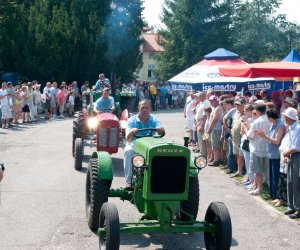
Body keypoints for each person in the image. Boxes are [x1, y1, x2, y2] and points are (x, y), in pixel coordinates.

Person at [124, 99, 165, 189]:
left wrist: (160, 129)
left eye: (147, 108)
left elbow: (161, 132)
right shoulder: (131, 120)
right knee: (129, 151)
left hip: (150, 145)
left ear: (150, 109)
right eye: (143, 108)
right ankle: (129, 181)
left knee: (161, 153)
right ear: (139, 108)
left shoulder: (154, 119)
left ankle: (160, 180)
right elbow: (128, 139)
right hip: (134, 145)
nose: (145, 110)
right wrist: (132, 132)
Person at [255, 109, 285, 200]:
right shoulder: (273, 124)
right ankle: (272, 194)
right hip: (271, 153)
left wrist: (265, 136)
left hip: (276, 154)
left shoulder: (280, 125)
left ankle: (276, 196)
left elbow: (277, 141)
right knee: (271, 176)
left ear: (270, 117)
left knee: (275, 176)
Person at [246, 104, 272, 195]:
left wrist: (245, 128)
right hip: (267, 149)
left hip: (256, 148)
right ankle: (262, 187)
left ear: (257, 111)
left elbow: (249, 135)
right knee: (266, 171)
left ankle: (259, 188)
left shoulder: (257, 121)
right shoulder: (270, 120)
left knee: (258, 171)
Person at [282, 107, 300, 219]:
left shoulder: (298, 128)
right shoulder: (292, 127)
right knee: (290, 181)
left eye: (285, 116)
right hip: (292, 155)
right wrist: (287, 154)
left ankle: (298, 208)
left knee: (296, 183)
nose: (284, 117)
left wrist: (286, 153)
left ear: (289, 118)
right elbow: (291, 144)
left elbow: (297, 147)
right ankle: (291, 206)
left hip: (297, 156)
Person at [207, 95, 223, 166]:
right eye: (210, 101)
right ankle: (215, 158)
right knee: (213, 144)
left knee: (215, 145)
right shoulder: (215, 108)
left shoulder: (218, 108)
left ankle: (216, 160)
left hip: (216, 129)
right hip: (215, 129)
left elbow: (215, 120)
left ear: (216, 100)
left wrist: (209, 129)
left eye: (212, 101)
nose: (210, 102)